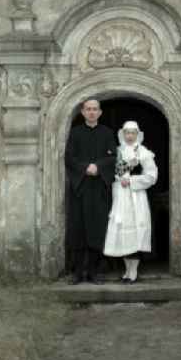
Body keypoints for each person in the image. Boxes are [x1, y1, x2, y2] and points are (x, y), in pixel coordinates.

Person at [64, 98, 116, 284]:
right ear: (83, 112)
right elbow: (69, 157)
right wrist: (85, 167)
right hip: (80, 188)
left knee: (97, 229)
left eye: (95, 109)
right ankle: (78, 273)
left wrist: (99, 167)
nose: (92, 112)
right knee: (78, 229)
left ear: (100, 112)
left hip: (99, 189)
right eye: (88, 109)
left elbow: (113, 157)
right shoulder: (75, 133)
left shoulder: (107, 133)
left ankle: (94, 272)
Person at [104, 120, 157, 284]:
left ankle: (133, 271)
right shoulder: (117, 151)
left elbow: (152, 176)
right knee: (122, 233)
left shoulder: (143, 153)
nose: (129, 136)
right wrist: (118, 179)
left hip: (136, 198)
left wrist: (132, 180)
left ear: (137, 134)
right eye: (127, 132)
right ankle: (126, 270)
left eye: (133, 133)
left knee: (136, 232)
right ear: (122, 134)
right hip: (120, 196)